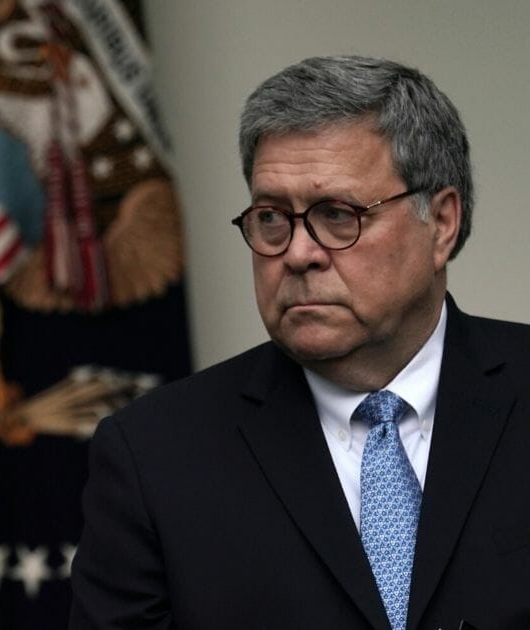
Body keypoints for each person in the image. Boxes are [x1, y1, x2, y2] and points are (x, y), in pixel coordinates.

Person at [69, 55, 530, 630]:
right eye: (271, 217)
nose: (297, 252)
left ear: (441, 223)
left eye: (338, 214)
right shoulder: (152, 457)